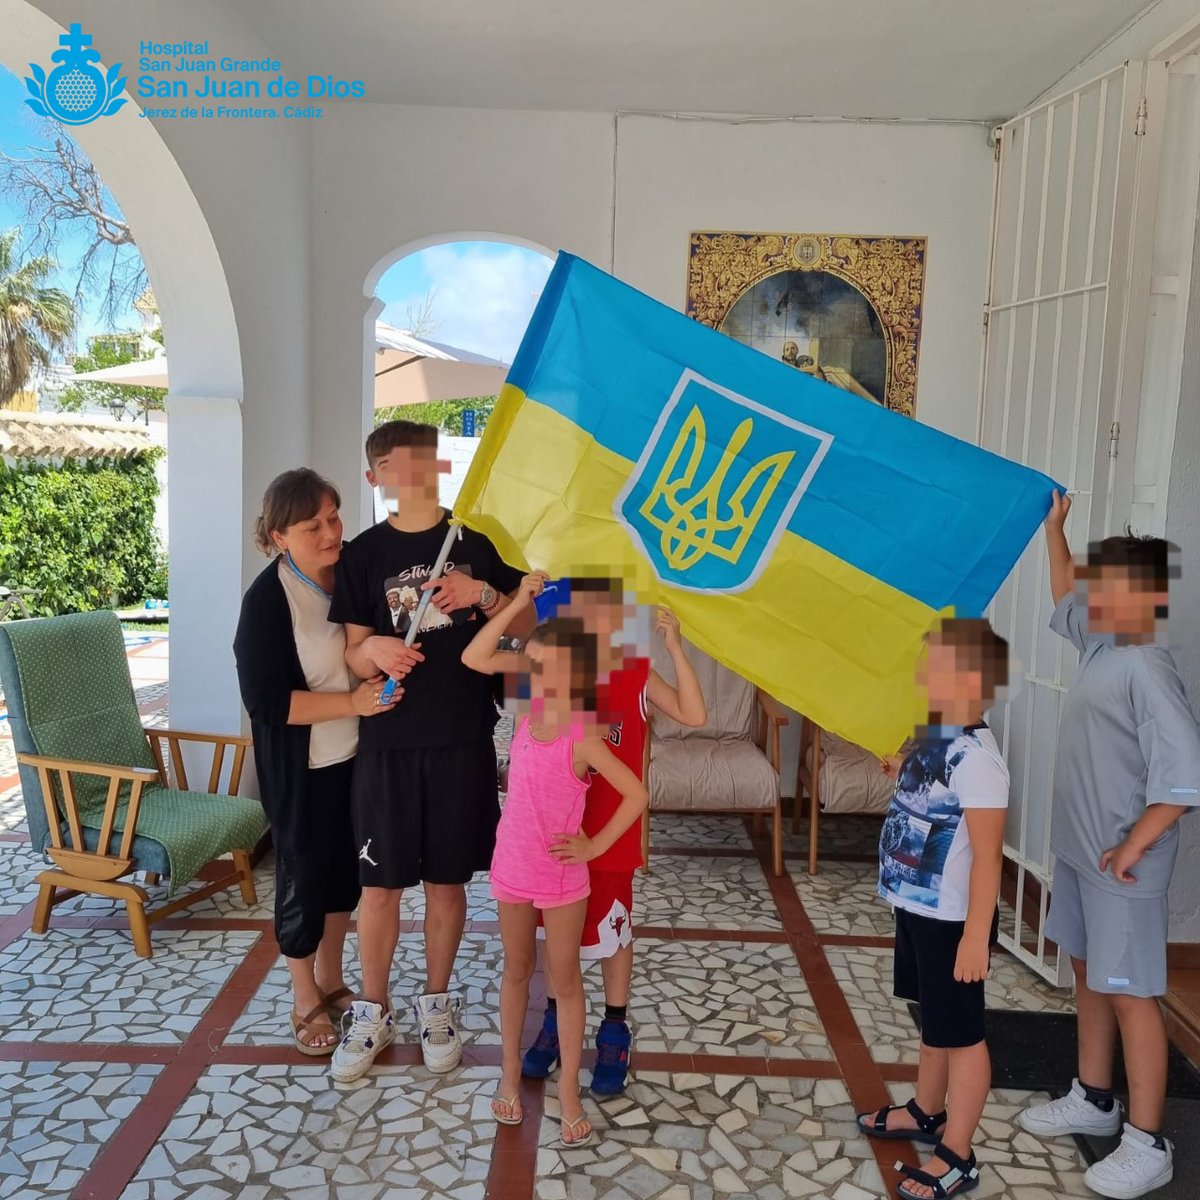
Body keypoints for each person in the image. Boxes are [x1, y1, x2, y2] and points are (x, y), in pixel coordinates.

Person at [327, 420, 524, 1083]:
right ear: (374, 476)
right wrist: (373, 650)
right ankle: (372, 1010)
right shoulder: (362, 555)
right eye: (391, 462)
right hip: (386, 744)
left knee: (447, 881)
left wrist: (486, 593)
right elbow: (352, 649)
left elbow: (536, 617)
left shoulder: (476, 542)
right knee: (378, 888)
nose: (407, 473)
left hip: (462, 737)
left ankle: (438, 1004)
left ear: (437, 466)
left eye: (420, 460)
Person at [1017, 493, 1200, 1199]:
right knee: (1090, 974)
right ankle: (1093, 1095)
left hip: (1122, 865)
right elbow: (1063, 590)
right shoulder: (1103, 641)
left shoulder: (1149, 667)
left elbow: (1183, 779)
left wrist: (1133, 848)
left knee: (1133, 995)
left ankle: (1148, 1142)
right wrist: (1056, 532)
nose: (1091, 591)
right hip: (1082, 850)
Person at [466, 573, 706, 1096]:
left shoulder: (635, 672)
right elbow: (480, 659)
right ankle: (555, 1020)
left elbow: (693, 712)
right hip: (554, 837)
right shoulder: (551, 676)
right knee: (559, 940)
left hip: (608, 833)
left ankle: (615, 1025)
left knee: (613, 934)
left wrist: (675, 648)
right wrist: (521, 600)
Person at [462, 589, 649, 1146]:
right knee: (517, 973)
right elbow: (476, 656)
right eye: (534, 666)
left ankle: (568, 1089)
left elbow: (635, 794)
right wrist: (519, 598)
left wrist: (593, 847)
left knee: (565, 983)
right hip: (511, 871)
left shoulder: (583, 737)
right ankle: (510, 1076)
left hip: (563, 879)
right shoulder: (522, 719)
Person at [234, 469, 395, 1054]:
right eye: (313, 525)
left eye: (334, 516)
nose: (331, 532)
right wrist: (350, 701)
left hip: (362, 758)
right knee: (303, 877)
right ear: (279, 537)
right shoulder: (268, 602)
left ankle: (331, 980)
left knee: (343, 877)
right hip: (303, 767)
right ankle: (305, 997)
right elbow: (268, 702)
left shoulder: (355, 568)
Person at [857, 617, 1011, 1200]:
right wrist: (901, 768)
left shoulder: (979, 760)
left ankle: (959, 1152)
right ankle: (925, 1111)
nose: (924, 675)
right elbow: (929, 790)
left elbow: (989, 859)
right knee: (932, 1022)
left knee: (962, 1035)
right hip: (917, 909)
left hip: (953, 923)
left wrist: (977, 936)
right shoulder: (935, 734)